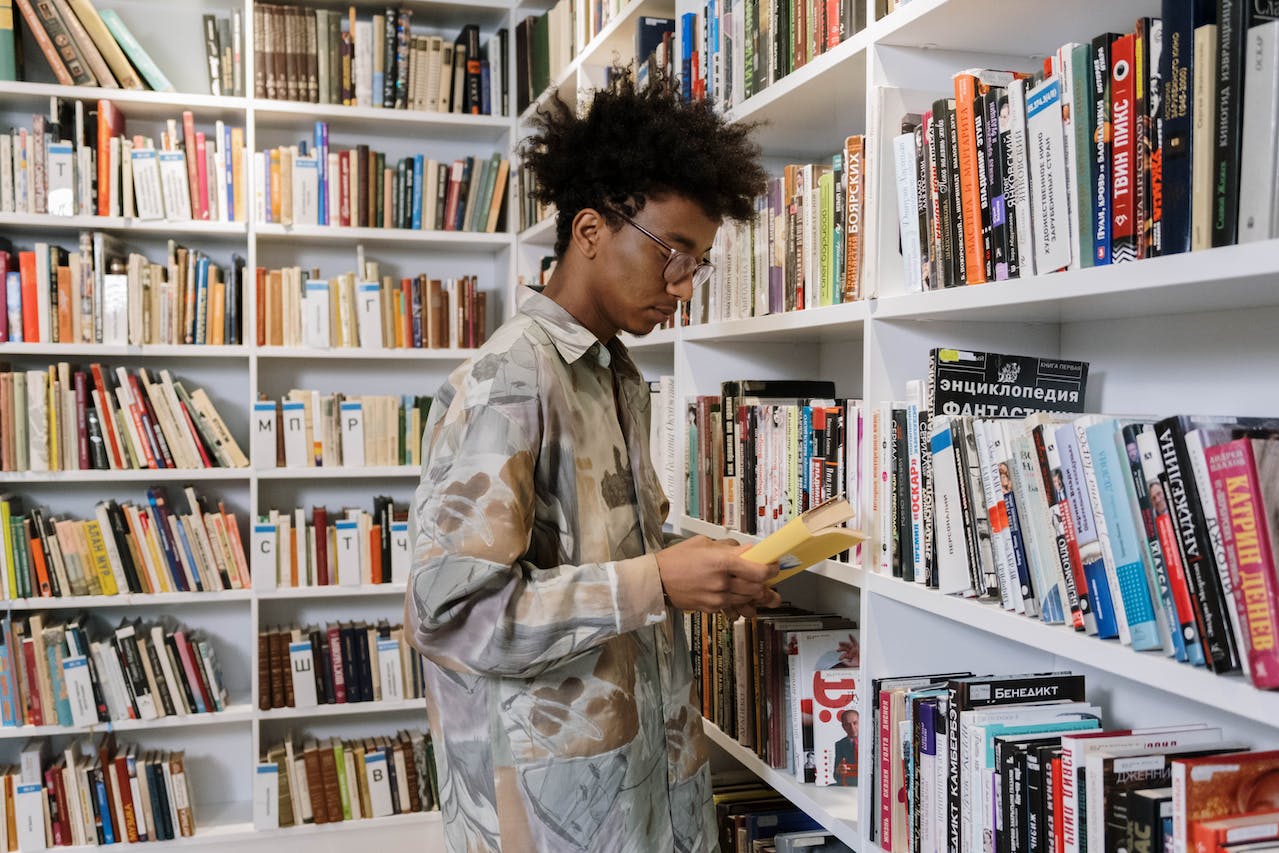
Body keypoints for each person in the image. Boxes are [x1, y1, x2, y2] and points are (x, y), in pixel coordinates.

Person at [406, 68, 776, 852]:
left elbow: (602, 554)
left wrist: (696, 565)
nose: (684, 284)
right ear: (589, 232)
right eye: (672, 253)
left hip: (644, 783)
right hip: (553, 809)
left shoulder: (613, 373)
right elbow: (455, 615)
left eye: (698, 263)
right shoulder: (509, 378)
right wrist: (659, 580)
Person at [833, 709, 858, 786]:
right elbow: (836, 776)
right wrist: (838, 771)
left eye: (855, 723)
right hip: (849, 783)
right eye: (848, 724)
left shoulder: (873, 740)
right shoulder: (839, 744)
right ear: (843, 727)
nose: (852, 728)